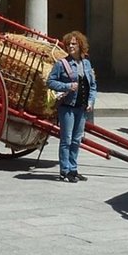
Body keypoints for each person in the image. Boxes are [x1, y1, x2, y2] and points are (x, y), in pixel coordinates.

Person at [46, 31, 96, 182]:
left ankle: (73, 169)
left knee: (76, 140)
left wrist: (91, 101)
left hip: (81, 107)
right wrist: (67, 86)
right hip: (67, 106)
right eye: (68, 44)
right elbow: (50, 82)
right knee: (66, 139)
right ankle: (65, 170)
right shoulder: (61, 64)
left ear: (81, 45)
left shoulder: (86, 63)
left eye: (74, 44)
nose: (70, 46)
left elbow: (92, 85)